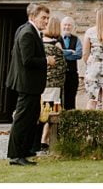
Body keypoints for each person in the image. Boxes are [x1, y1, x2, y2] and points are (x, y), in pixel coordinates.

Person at [6, 3, 55, 167]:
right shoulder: (27, 33)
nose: (46, 21)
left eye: (47, 18)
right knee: (22, 120)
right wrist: (47, 60)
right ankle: (15, 156)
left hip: (31, 84)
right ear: (33, 17)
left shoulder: (29, 30)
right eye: (43, 18)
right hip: (27, 84)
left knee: (30, 118)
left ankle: (25, 151)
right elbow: (27, 60)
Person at [37, 14, 66, 152]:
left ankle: (37, 139)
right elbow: (61, 67)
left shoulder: (38, 43)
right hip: (53, 85)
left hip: (40, 83)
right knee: (51, 112)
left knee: (41, 110)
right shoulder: (57, 45)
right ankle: (45, 139)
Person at [59, 16, 82, 111]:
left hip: (72, 73)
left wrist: (63, 52)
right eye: (65, 25)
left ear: (72, 27)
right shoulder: (57, 38)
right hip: (60, 73)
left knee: (71, 98)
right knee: (59, 99)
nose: (67, 27)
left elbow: (79, 54)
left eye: (69, 25)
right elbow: (57, 53)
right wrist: (70, 52)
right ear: (61, 26)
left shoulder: (77, 39)